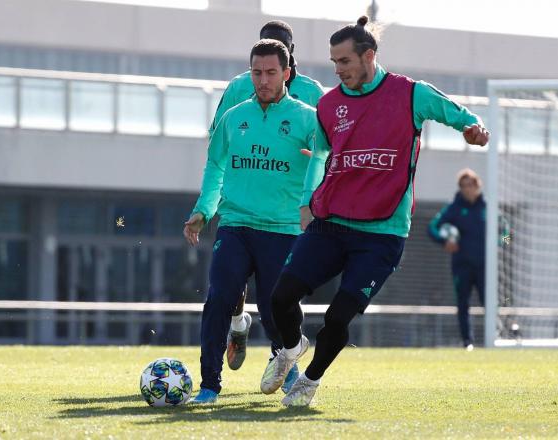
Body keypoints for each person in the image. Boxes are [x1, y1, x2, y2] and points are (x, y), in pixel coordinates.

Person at [260, 16, 490, 407]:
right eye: (334, 62)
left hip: (382, 235)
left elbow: (458, 114)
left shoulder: (410, 94)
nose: (338, 70)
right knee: (280, 298)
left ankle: (309, 383)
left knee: (336, 318)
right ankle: (290, 348)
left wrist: (473, 128)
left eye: (345, 61)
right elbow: (318, 155)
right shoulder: (330, 104)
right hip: (330, 223)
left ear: (369, 56)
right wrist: (306, 204)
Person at [183, 39, 317, 404]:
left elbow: (327, 159)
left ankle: (288, 367)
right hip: (236, 225)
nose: (263, 80)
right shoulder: (234, 117)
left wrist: (315, 186)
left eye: (271, 72)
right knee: (220, 298)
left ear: (287, 73)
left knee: (277, 310)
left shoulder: (307, 118)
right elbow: (215, 165)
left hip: (284, 230)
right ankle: (209, 384)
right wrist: (204, 209)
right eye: (257, 72)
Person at [209, 20, 325, 373]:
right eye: (257, 70)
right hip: (240, 207)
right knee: (228, 286)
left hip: (290, 212)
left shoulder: (311, 92)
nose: (264, 79)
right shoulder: (239, 88)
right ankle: (237, 324)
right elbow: (217, 137)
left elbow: (327, 148)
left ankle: (283, 362)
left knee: (278, 297)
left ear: (290, 58)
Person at [428, 168, 485, 351]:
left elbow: (507, 231)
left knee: (491, 303)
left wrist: (501, 243)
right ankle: (467, 342)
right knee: (463, 303)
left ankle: (499, 334)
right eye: (463, 186)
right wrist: (444, 240)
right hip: (462, 266)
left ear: (478, 185)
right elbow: (432, 227)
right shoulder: (454, 208)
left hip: (486, 267)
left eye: (471, 184)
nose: (468, 189)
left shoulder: (488, 208)